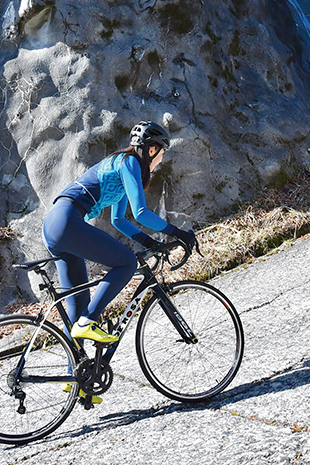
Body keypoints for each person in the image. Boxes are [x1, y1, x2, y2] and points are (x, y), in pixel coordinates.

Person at [42, 121, 197, 345]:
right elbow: (141, 212)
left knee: (78, 306)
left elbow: (119, 220)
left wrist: (148, 241)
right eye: (162, 152)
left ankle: (72, 377)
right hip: (67, 222)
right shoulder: (130, 162)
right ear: (152, 150)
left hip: (55, 225)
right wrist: (178, 233)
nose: (161, 159)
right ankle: (88, 323)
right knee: (126, 263)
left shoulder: (121, 164)